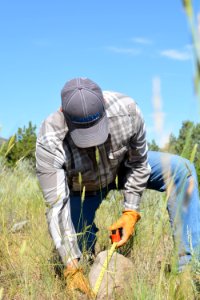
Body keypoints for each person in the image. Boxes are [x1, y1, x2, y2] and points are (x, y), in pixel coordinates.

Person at [36, 77, 200, 296]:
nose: (92, 142)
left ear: (104, 105)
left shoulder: (128, 110)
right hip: (83, 187)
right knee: (77, 251)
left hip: (122, 168)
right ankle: (83, 261)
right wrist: (72, 267)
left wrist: (131, 211)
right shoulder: (49, 138)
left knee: (182, 171)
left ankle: (189, 269)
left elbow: (139, 163)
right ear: (63, 114)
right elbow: (56, 206)